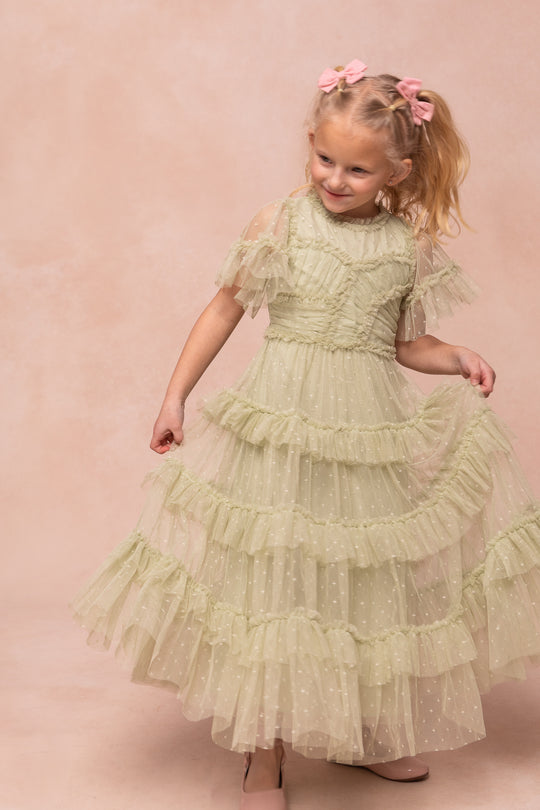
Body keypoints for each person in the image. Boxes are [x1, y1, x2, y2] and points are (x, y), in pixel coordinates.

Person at [73, 60, 540, 810]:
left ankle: (367, 735)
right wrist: (174, 396)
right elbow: (225, 308)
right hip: (284, 424)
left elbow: (404, 343)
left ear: (398, 170)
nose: (336, 178)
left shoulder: (404, 246)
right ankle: (265, 753)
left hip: (365, 432)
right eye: (325, 159)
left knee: (367, 586)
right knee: (276, 588)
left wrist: (457, 357)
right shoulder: (281, 222)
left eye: (358, 168)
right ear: (310, 145)